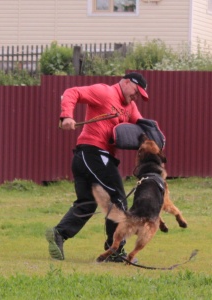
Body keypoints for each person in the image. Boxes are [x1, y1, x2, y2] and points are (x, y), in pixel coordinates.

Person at [45, 72, 149, 262]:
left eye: (140, 95)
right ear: (126, 82)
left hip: (87, 158)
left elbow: (141, 127)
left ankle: (59, 233)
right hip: (92, 153)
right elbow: (72, 92)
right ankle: (114, 250)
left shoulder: (130, 107)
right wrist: (66, 116)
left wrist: (153, 140)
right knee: (117, 198)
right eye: (136, 91)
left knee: (87, 202)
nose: (136, 97)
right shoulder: (104, 92)